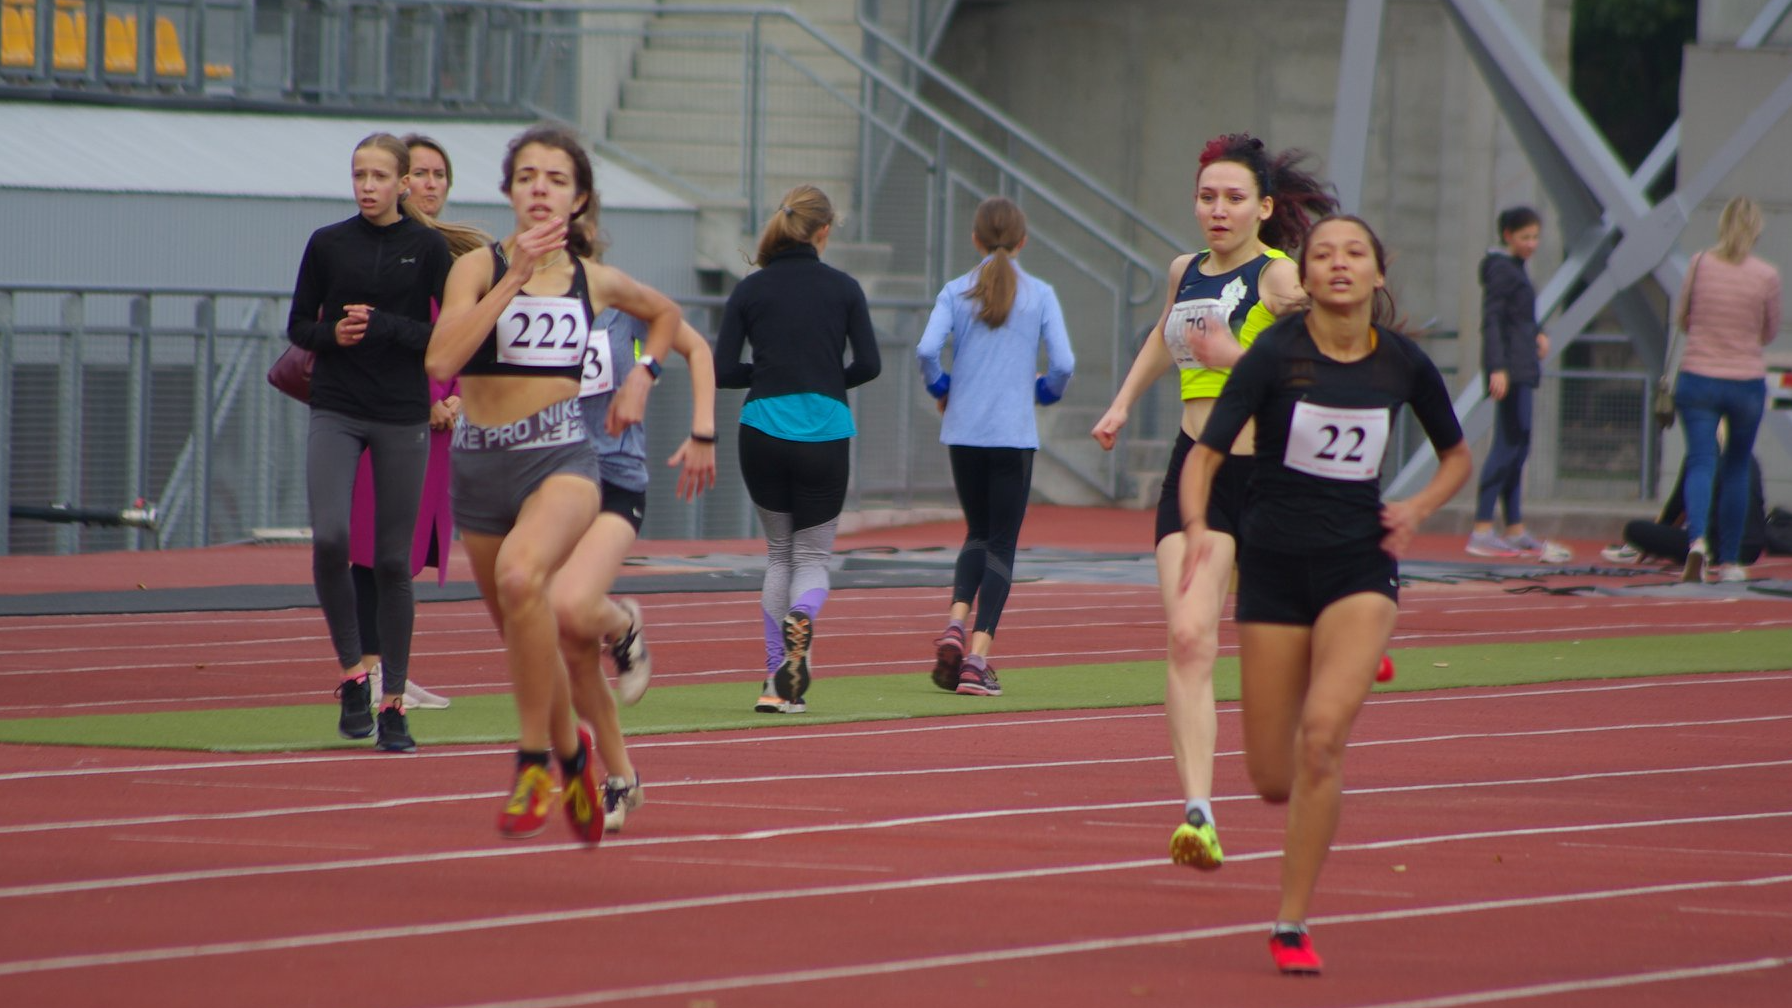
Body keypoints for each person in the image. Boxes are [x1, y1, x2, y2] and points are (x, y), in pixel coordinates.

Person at [1179, 215, 1471, 975]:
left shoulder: (1403, 363)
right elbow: (1205, 456)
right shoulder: (1276, 353)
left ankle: (1290, 921)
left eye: (1355, 254)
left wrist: (1416, 508)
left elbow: (1457, 456)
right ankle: (1339, 660)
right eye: (1324, 255)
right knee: (1273, 779)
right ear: (1304, 276)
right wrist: (1198, 529)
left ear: (1379, 272)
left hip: (1359, 569)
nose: (1339, 265)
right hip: (1275, 568)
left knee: (1322, 742)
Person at [427, 123, 682, 840]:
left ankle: (533, 761)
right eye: (528, 177)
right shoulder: (476, 269)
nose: (540, 188)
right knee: (529, 637)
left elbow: (665, 315)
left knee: (521, 577)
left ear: (578, 200)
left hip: (561, 462)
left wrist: (643, 374)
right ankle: (576, 752)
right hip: (479, 467)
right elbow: (439, 360)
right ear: (510, 191)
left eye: (557, 179)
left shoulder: (592, 279)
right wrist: (511, 277)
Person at [1090, 133, 1335, 871]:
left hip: (1271, 477)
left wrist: (1237, 357)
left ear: (1263, 207)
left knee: (1283, 639)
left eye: (1233, 199)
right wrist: (1122, 403)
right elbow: (1165, 342)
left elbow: (1320, 358)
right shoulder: (1184, 270)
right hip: (1195, 474)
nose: (1218, 211)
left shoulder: (1281, 277)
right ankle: (1198, 811)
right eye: (1207, 197)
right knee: (1190, 637)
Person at [286, 132, 456, 754]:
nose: (366, 185)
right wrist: (336, 333)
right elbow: (299, 325)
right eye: (359, 174)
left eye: (379, 176)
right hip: (337, 406)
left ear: (403, 183)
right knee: (330, 536)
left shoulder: (428, 247)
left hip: (400, 413)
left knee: (392, 562)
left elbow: (446, 333)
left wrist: (383, 327)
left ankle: (394, 707)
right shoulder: (327, 243)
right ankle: (354, 674)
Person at [551, 292, 717, 832]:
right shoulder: (521, 298)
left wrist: (703, 432)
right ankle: (621, 776)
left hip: (616, 479)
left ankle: (623, 624)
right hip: (550, 482)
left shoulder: (622, 301)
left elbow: (699, 351)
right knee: (573, 646)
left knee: (573, 605)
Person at [714, 184, 881, 714]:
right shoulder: (845, 288)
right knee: (810, 556)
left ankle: (772, 680)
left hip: (761, 429)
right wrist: (829, 379)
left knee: (779, 554)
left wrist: (767, 373)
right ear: (824, 231)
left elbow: (721, 371)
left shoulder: (750, 289)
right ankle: (803, 614)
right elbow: (870, 364)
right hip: (825, 432)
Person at [916, 196, 1075, 697]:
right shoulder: (1040, 293)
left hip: (964, 432)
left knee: (976, 533)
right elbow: (1064, 364)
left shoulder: (954, 291)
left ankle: (954, 622)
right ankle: (977, 660)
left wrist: (943, 388)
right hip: (1012, 435)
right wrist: (1044, 391)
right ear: (1023, 242)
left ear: (975, 239)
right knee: (1002, 543)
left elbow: (926, 350)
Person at [350, 133, 487, 712]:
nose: (430, 185)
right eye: (421, 173)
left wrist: (459, 398)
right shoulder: (380, 248)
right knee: (370, 545)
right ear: (400, 181)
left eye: (440, 175)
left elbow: (462, 334)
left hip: (439, 425)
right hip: (385, 412)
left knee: (405, 549)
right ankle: (372, 673)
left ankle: (395, 672)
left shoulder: (454, 254)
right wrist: (424, 397)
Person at [1672, 195, 1782, 583]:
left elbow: (1683, 317)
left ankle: (1697, 540)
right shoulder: (1767, 275)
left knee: (1702, 460)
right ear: (1756, 230)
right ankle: (1732, 560)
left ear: (1721, 225)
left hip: (1698, 375)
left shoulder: (1700, 264)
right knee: (1737, 465)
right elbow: (1769, 330)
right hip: (1744, 381)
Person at [1466, 206, 1564, 561]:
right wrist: (1497, 368)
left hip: (1522, 364)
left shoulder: (1515, 269)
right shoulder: (1501, 270)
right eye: (1525, 237)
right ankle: (1481, 528)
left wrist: (1538, 333)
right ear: (1508, 236)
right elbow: (1492, 321)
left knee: (1519, 444)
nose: (1532, 244)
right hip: (1510, 368)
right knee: (1507, 444)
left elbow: (1518, 319)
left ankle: (1515, 527)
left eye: (1536, 237)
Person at [1602, 455, 1766, 568]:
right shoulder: (1748, 455)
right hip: (1752, 549)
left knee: (1634, 529)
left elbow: (1676, 509)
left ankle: (1637, 548)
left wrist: (1650, 545)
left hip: (1716, 548)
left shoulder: (1700, 457)